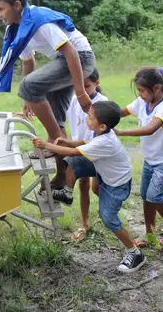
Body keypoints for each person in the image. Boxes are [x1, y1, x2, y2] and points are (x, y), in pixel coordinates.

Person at [0, 0, 95, 188]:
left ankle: (54, 141)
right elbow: (28, 62)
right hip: (64, 61)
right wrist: (28, 99)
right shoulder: (17, 31)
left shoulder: (39, 21)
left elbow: (71, 52)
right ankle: (62, 174)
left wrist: (81, 92)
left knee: (30, 87)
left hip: (79, 58)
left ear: (17, 5)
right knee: (56, 118)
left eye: (1, 9)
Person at [33, 101, 145, 273]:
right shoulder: (101, 132)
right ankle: (67, 193)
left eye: (90, 116)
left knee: (108, 216)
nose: (86, 118)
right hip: (104, 171)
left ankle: (135, 253)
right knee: (74, 162)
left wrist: (46, 144)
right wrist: (68, 142)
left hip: (116, 184)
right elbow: (83, 143)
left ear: (101, 125)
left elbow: (73, 151)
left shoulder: (105, 141)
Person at [116, 67, 163, 251]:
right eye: (138, 91)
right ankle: (149, 234)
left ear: (157, 88)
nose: (139, 95)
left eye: (141, 90)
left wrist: (120, 132)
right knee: (147, 198)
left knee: (155, 197)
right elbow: (123, 111)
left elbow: (150, 129)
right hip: (150, 160)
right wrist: (103, 114)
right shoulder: (142, 102)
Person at [49, 69, 106, 240]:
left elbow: (91, 142)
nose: (81, 90)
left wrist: (67, 144)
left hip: (97, 152)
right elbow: (62, 119)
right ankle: (85, 224)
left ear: (97, 83)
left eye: (86, 86)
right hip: (81, 149)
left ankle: (111, 217)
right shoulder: (74, 101)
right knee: (82, 184)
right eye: (77, 86)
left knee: (97, 188)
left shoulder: (101, 105)